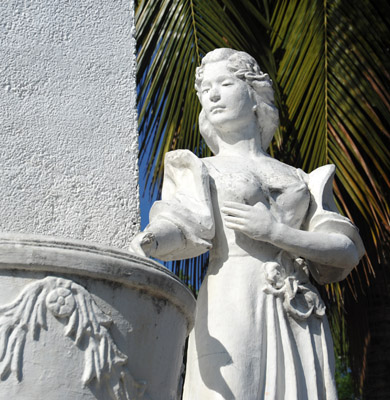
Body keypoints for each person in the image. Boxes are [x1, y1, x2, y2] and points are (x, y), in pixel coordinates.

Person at [130, 48, 365, 399]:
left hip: (299, 305)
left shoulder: (301, 178)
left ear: (254, 94)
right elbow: (180, 222)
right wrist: (151, 240)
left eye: (225, 83)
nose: (212, 94)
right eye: (205, 89)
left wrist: (276, 233)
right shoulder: (199, 168)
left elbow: (345, 251)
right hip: (233, 295)